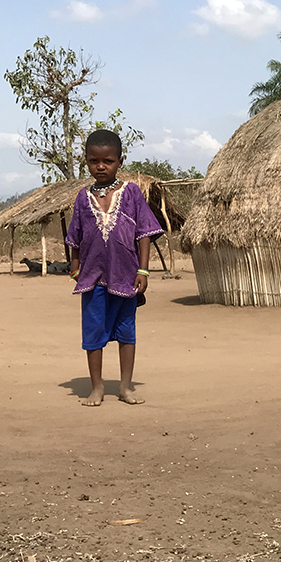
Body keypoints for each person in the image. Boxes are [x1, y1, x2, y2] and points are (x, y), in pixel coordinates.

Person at [66, 130, 163, 406]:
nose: (100, 166)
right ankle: (96, 387)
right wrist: (75, 265)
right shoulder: (83, 198)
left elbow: (144, 233)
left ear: (120, 161)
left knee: (126, 331)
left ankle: (125, 387)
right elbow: (76, 235)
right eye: (94, 161)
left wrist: (143, 271)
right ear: (86, 161)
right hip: (92, 278)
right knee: (93, 331)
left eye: (107, 161)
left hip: (126, 275)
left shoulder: (131, 193)